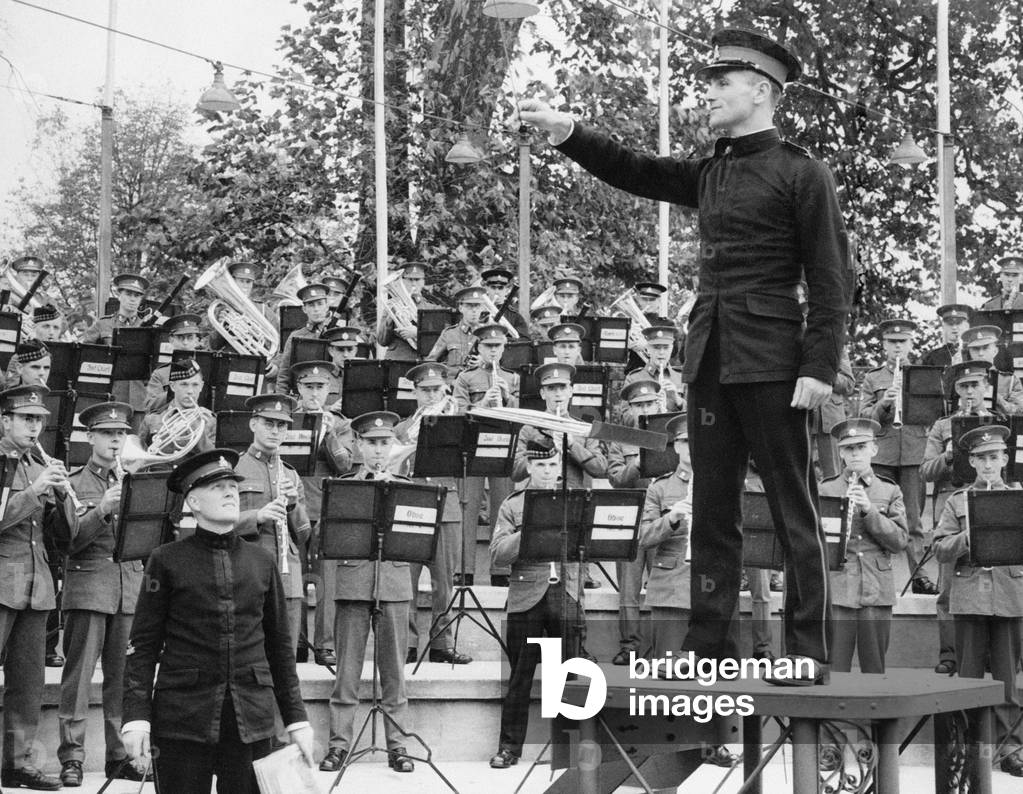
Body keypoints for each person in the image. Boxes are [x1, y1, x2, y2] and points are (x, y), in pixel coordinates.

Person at [519, 27, 851, 681]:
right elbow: (635, 170)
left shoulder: (802, 173)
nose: (709, 95)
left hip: (776, 365)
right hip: (707, 362)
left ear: (761, 91)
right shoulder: (714, 173)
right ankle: (708, 648)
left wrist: (817, 366)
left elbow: (831, 278)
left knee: (792, 510)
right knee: (712, 510)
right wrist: (569, 132)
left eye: (720, 84)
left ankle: (807, 653)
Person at [121, 448, 315, 792]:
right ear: (193, 502)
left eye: (233, 486)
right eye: (217, 486)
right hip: (184, 718)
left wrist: (297, 719)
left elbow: (280, 648)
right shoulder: (166, 561)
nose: (230, 492)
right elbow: (143, 645)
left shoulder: (261, 562)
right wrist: (136, 717)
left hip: (250, 718)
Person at [319, 411, 416, 774]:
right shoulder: (344, 485)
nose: (378, 450)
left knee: (394, 673)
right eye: (371, 443)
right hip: (354, 583)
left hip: (392, 582)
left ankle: (398, 746)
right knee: (346, 673)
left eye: (384, 443)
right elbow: (329, 534)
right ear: (358, 445)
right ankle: (339, 745)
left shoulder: (408, 487)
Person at [56, 402, 147, 786]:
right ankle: (72, 757)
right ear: (90, 437)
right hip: (89, 586)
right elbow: (67, 543)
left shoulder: (134, 480)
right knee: (78, 679)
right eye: (107, 434)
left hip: (128, 588)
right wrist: (102, 510)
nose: (114, 441)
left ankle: (119, 756)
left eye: (120, 434)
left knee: (122, 678)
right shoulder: (73, 483)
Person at [0, 384, 79, 791]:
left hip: (37, 583)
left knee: (28, 682)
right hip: (1, 581)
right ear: (4, 420)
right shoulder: (3, 462)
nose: (34, 427)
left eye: (39, 420)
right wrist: (34, 492)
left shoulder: (38, 462)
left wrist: (65, 498)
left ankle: (17, 763)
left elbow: (63, 536)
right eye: (26, 418)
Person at [933, 425, 1023, 777]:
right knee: (969, 679)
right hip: (970, 595)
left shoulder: (1018, 498)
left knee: (1006, 679)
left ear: (1004, 459)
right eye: (981, 458)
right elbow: (940, 549)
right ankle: (970, 750)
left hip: (1009, 594)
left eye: (994, 457)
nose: (988, 464)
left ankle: (1010, 749)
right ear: (971, 461)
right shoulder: (957, 502)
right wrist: (969, 534)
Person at [488, 440, 583, 770]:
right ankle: (509, 748)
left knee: (571, 673)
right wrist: (528, 528)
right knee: (520, 677)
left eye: (553, 465)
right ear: (528, 467)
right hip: (527, 595)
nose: (548, 471)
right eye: (541, 465)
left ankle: (570, 747)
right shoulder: (512, 505)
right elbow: (498, 554)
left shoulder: (573, 501)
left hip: (565, 592)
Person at [920, 359, 997, 675]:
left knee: (995, 579)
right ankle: (950, 653)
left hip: (992, 504)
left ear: (985, 388)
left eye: (975, 385)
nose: (970, 391)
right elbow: (925, 472)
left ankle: (994, 651)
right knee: (949, 585)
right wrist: (949, 453)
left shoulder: (999, 423)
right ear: (956, 390)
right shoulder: (942, 426)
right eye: (964, 386)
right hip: (954, 507)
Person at [818, 418, 907, 674]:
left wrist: (870, 511)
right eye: (849, 448)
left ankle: (877, 716)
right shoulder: (826, 489)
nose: (855, 453)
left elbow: (900, 541)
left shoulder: (889, 490)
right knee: (835, 668)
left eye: (861, 446)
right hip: (839, 587)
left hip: (876, 588)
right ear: (841, 453)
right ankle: (834, 716)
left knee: (874, 668)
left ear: (874, 449)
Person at [396, 363, 471, 664]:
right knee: (407, 580)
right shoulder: (402, 428)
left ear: (445, 390)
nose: (431, 396)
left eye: (436, 390)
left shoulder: (455, 419)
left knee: (444, 582)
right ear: (414, 393)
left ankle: (442, 644)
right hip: (412, 503)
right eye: (425, 391)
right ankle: (409, 643)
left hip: (446, 504)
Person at [858, 319, 937, 595]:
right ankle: (878, 575)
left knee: (913, 519)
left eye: (902, 342)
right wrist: (884, 403)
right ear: (884, 346)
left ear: (911, 343)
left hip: (915, 452)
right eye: (892, 342)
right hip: (883, 453)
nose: (897, 347)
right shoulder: (872, 378)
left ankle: (919, 576)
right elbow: (863, 418)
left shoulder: (923, 375)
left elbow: (934, 414)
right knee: (878, 513)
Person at [233, 394, 311, 652]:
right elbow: (219, 523)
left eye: (282, 426)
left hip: (288, 574)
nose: (275, 431)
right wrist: (257, 516)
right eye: (268, 423)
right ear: (253, 424)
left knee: (285, 656)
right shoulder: (235, 468)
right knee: (248, 652)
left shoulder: (290, 473)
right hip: (248, 570)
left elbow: (303, 533)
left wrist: (292, 504)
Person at [290, 360, 355, 666]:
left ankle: (324, 645)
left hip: (327, 507)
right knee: (296, 576)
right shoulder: (287, 420)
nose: (314, 393)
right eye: (308, 387)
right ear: (298, 389)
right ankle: (298, 642)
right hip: (294, 504)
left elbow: (344, 466)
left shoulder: (341, 424)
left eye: (320, 387)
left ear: (329, 390)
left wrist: (328, 434)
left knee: (326, 580)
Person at [452, 324, 520, 586]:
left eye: (498, 346)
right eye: (488, 346)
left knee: (502, 506)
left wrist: (507, 397)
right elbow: (457, 412)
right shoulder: (465, 377)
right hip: (473, 445)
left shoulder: (512, 378)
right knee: (467, 506)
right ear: (478, 347)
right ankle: (464, 570)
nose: (493, 351)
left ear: (504, 349)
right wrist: (481, 404)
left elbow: (520, 414)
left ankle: (500, 571)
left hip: (502, 445)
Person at [606, 378, 663, 664]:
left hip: (662, 520)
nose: (644, 410)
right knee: (628, 588)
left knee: (661, 585)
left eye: (649, 403)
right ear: (628, 409)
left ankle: (660, 647)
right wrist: (638, 462)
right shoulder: (620, 440)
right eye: (638, 405)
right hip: (630, 516)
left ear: (658, 403)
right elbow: (615, 478)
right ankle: (629, 646)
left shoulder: (671, 437)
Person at [139, 358, 216, 454]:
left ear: (201, 386)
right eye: (184, 384)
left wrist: (195, 424)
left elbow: (214, 459)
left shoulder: (210, 421)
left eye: (195, 385)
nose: (190, 391)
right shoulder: (152, 419)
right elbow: (140, 456)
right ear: (172, 386)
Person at [275, 282, 332, 393]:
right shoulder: (296, 336)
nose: (316, 309)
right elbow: (284, 375)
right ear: (304, 309)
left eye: (320, 304)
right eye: (311, 305)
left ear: (327, 306)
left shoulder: (334, 334)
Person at [143, 313, 205, 413]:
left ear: (197, 341)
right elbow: (150, 406)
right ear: (171, 340)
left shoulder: (206, 369)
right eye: (180, 337)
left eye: (190, 337)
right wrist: (174, 392)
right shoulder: (160, 373)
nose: (185, 343)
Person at [377, 262, 437, 361]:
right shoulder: (392, 305)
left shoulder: (431, 308)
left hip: (422, 360)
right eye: (410, 280)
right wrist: (390, 317)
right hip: (397, 359)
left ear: (423, 282)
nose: (413, 283)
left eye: (417, 280)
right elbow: (382, 341)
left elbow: (438, 339)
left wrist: (417, 333)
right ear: (402, 281)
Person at [961, 325, 1023, 414]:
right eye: (976, 349)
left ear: (995, 351)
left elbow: (1019, 412)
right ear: (970, 351)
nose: (981, 353)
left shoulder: (1010, 381)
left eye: (985, 348)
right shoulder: (960, 380)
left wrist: (995, 397)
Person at [426, 285, 487, 372]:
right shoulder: (449, 333)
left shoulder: (487, 334)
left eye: (477, 306)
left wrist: (484, 362)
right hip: (453, 383)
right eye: (469, 306)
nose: (474, 310)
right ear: (461, 308)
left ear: (482, 308)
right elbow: (430, 361)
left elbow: (498, 364)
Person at [81, 273, 150, 345]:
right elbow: (86, 351)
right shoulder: (103, 324)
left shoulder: (146, 327)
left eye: (137, 296)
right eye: (128, 294)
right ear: (119, 296)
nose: (132, 299)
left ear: (141, 299)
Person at [480, 266, 530, 336]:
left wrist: (504, 340)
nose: (497, 291)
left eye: (500, 288)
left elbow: (524, 341)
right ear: (486, 288)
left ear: (506, 290)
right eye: (493, 287)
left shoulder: (515, 316)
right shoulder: (478, 311)